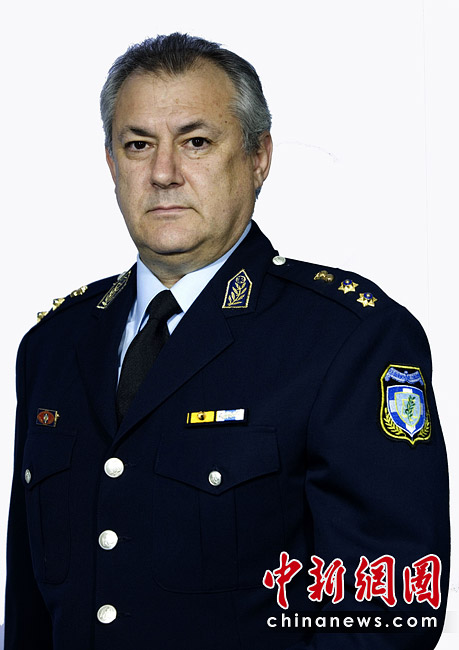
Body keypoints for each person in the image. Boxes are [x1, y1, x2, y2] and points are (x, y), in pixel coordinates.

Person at [5, 33, 449, 649]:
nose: (163, 173)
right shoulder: (55, 344)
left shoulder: (347, 340)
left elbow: (384, 618)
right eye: (138, 145)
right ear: (111, 163)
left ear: (258, 157)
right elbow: (30, 612)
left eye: (196, 142)